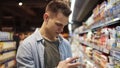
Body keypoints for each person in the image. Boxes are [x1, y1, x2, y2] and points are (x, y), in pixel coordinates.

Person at [16, 0, 80, 68]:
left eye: (64, 26)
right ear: (46, 18)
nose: (61, 30)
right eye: (58, 24)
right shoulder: (27, 47)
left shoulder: (66, 45)